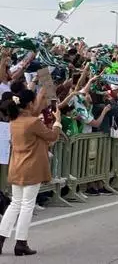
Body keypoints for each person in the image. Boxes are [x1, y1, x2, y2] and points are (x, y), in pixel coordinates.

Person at [0, 89, 61, 256]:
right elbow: (51, 136)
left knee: (15, 204)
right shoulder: (33, 122)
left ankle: (1, 238)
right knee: (27, 205)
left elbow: (33, 117)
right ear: (29, 104)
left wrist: (40, 96)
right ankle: (21, 242)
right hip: (31, 167)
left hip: (17, 166)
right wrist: (58, 122)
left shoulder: (14, 121)